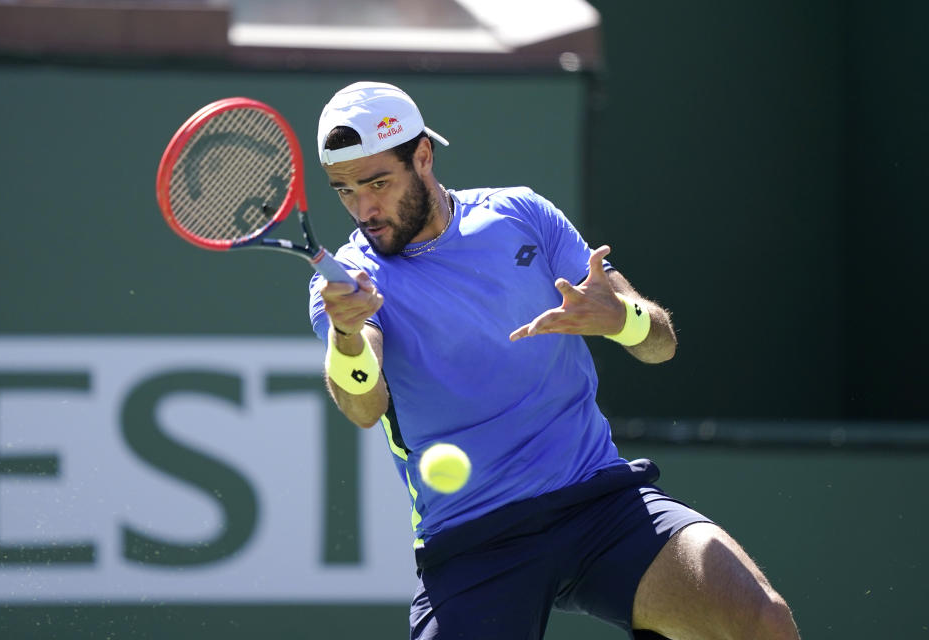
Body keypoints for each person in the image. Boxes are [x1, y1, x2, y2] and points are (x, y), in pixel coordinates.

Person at [308, 81, 800, 640]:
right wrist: (348, 333)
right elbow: (363, 406)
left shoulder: (522, 215)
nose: (364, 208)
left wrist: (621, 319)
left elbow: (659, 343)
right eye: (344, 190)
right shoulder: (348, 279)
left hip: (600, 505)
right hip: (474, 540)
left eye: (377, 183)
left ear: (422, 155)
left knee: (762, 622)